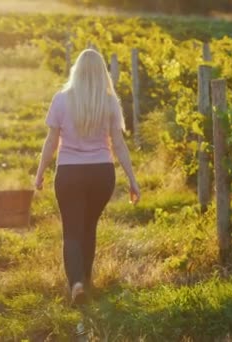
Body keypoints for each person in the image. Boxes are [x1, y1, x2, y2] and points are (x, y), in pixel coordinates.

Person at [34, 49, 141, 305]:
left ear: (77, 71)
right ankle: (86, 281)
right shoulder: (109, 102)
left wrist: (39, 173)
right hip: (101, 174)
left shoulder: (61, 100)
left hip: (70, 173)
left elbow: (51, 142)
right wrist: (132, 179)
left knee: (72, 230)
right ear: (102, 73)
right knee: (88, 227)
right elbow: (119, 145)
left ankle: (77, 284)